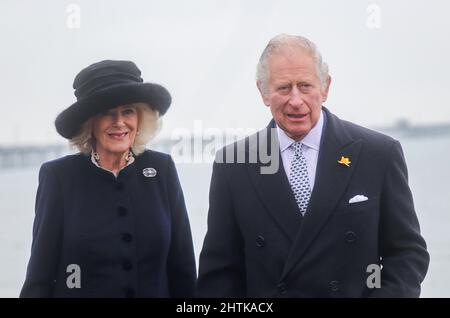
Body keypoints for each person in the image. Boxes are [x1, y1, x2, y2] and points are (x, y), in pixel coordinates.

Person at [197, 34, 429, 297]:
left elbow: (407, 254)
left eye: (305, 86)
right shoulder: (234, 165)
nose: (296, 101)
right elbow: (219, 274)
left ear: (325, 87)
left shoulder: (379, 154)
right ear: (263, 92)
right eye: (284, 88)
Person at [20, 60, 196, 297]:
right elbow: (39, 279)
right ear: (90, 123)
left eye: (128, 111)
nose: (119, 122)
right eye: (107, 113)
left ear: (140, 117)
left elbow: (183, 271)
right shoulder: (59, 178)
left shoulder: (162, 170)